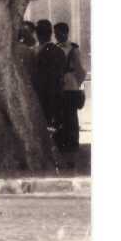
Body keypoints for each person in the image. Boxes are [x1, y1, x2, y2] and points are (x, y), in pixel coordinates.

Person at [53, 22, 85, 156]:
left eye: (58, 33)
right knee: (60, 116)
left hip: (70, 87)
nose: (56, 36)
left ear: (65, 33)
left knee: (71, 116)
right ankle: (63, 142)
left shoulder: (74, 49)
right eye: (55, 34)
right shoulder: (55, 48)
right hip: (59, 87)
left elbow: (80, 71)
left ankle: (73, 143)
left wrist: (76, 84)